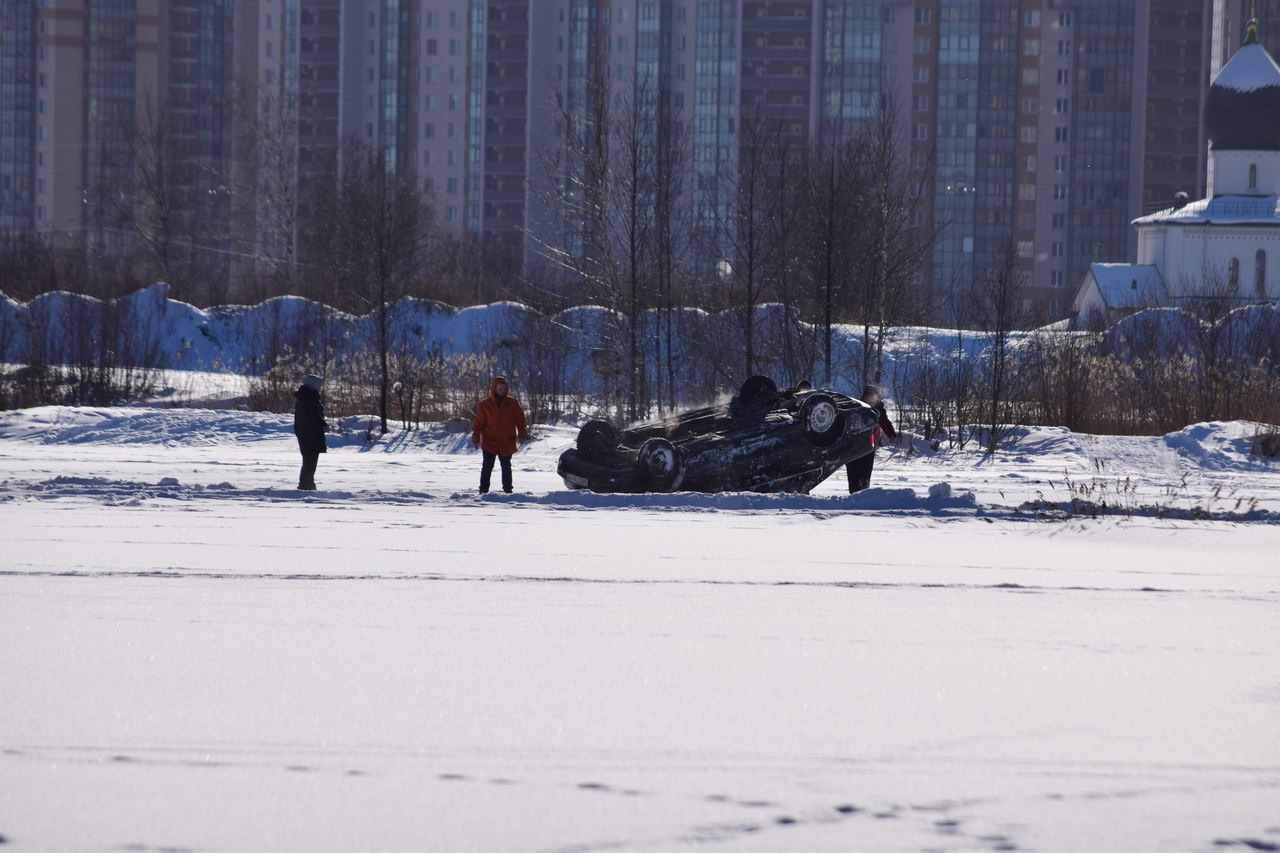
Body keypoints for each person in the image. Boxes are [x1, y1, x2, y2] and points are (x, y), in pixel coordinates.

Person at [471, 376, 528, 494]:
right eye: (500, 388)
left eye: (504, 388)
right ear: (494, 389)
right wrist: (476, 438)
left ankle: (508, 491)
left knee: (506, 467)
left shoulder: (513, 403)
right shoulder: (485, 405)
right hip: (490, 442)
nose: (502, 390)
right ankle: (483, 491)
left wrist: (522, 434)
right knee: (487, 467)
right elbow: (478, 423)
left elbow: (520, 420)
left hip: (507, 442)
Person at [847, 383, 896, 493]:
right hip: (854, 446)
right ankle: (854, 493)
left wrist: (891, 434)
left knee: (866, 472)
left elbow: (885, 422)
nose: (872, 399)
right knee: (854, 472)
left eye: (874, 397)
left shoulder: (878, 410)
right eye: (869, 397)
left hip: (869, 445)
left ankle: (863, 492)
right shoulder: (857, 407)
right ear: (864, 397)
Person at [293, 373, 328, 490]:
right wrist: (323, 425)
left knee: (308, 459)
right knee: (310, 460)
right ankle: (306, 484)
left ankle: (306, 483)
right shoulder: (311, 399)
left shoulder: (303, 399)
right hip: (311, 435)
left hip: (304, 433)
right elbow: (314, 417)